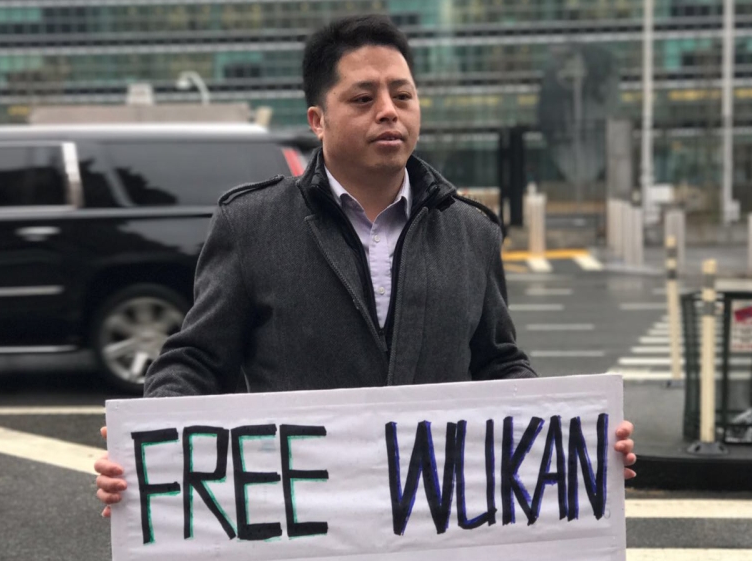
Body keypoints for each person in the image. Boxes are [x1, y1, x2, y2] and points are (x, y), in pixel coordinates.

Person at [95, 14, 636, 517]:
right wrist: (148, 448)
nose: (389, 110)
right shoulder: (251, 224)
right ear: (318, 120)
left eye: (403, 94)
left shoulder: (473, 231)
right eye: (363, 97)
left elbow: (497, 363)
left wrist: (577, 439)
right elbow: (195, 360)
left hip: (433, 524)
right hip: (305, 524)